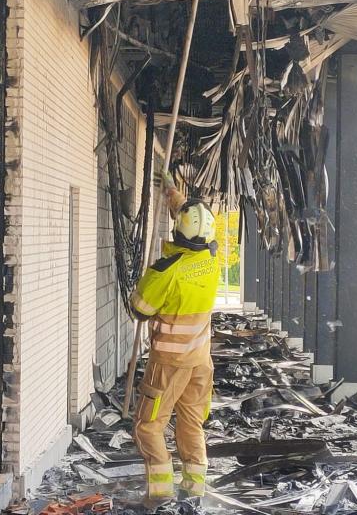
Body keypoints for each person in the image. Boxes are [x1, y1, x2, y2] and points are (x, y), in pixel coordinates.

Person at [129, 173, 219, 507]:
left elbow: (139, 309)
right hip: (200, 364)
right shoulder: (211, 259)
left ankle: (160, 494)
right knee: (191, 423)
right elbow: (193, 218)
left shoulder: (166, 271)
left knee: (148, 427)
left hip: (168, 366)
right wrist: (173, 194)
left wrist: (143, 279)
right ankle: (194, 490)